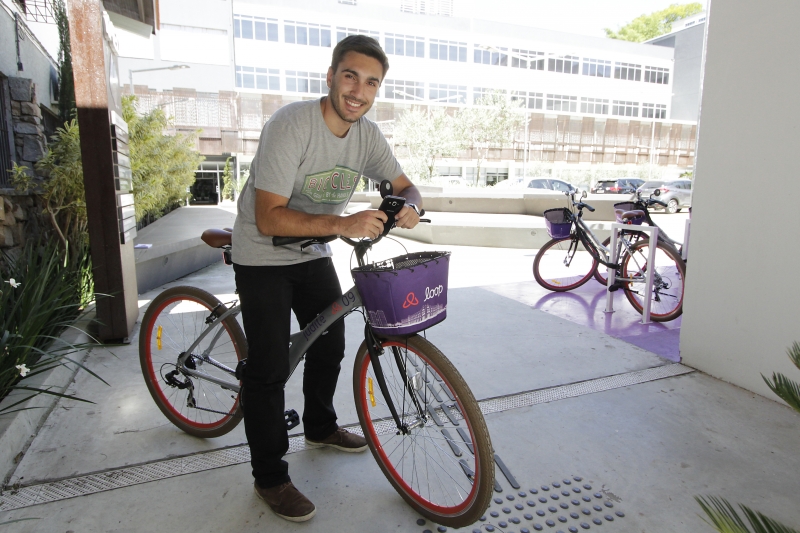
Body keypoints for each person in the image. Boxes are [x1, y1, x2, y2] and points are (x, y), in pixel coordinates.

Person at [230, 35, 422, 523]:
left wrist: (412, 206)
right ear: (332, 76)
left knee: (329, 342)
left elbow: (405, 185)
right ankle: (269, 477)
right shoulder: (291, 124)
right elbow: (268, 217)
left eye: (371, 83)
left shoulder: (367, 135)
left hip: (311, 249)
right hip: (263, 254)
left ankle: (319, 427)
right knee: (269, 369)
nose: (359, 91)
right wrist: (342, 222)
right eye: (351, 76)